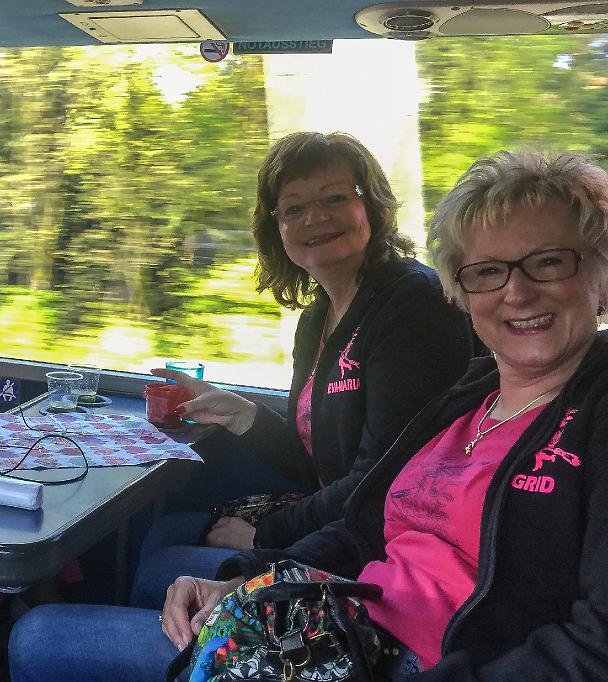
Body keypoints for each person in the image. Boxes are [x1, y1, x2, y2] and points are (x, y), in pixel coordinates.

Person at [11, 149, 608, 680]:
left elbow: (590, 648)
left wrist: (266, 538)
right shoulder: (468, 399)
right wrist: (247, 579)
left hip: (414, 655)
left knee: (42, 638)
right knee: (165, 573)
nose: (516, 292)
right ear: (465, 288)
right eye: (488, 272)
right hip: (346, 615)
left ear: (599, 270)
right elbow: (363, 523)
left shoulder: (581, 411)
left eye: (549, 262)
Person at [130, 131, 476, 608]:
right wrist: (242, 414)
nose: (315, 218)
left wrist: (264, 536)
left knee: (159, 569)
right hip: (338, 514)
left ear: (371, 206)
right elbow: (317, 461)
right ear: (277, 227)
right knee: (162, 532)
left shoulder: (413, 304)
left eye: (335, 198)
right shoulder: (317, 319)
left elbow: (385, 479)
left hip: (380, 540)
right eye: (293, 209)